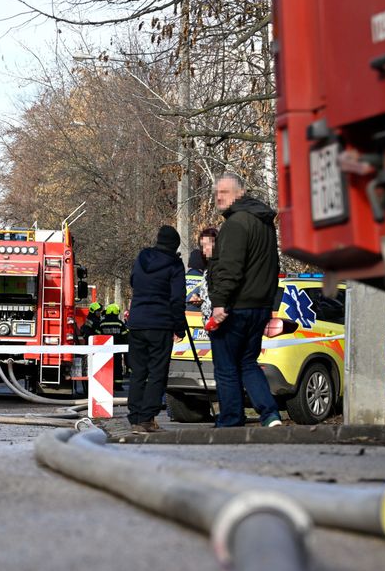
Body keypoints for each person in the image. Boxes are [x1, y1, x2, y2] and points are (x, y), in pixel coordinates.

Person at [207, 172, 284, 428]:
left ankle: (230, 420)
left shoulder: (236, 223)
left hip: (235, 307)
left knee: (226, 366)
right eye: (217, 192)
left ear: (240, 193)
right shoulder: (264, 223)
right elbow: (272, 265)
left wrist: (219, 302)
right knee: (248, 363)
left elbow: (230, 267)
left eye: (225, 192)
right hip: (259, 306)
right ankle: (270, 414)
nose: (219, 196)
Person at [117, 225, 188, 435]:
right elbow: (177, 299)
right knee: (157, 372)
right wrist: (180, 326)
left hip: (137, 322)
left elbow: (132, 281)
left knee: (138, 371)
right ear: (174, 245)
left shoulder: (142, 257)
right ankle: (147, 419)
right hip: (160, 324)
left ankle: (135, 417)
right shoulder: (175, 265)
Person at [96, 303, 129, 386]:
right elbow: (125, 336)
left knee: (105, 367)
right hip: (117, 349)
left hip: (104, 350)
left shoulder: (102, 323)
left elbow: (97, 336)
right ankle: (118, 385)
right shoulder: (120, 323)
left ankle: (105, 384)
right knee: (117, 367)